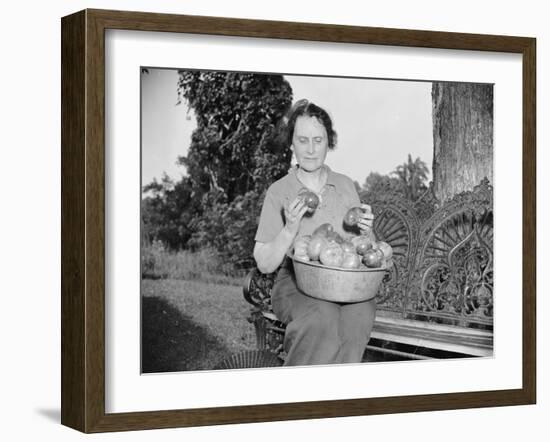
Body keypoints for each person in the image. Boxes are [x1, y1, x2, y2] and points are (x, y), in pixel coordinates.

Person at [253, 99, 376, 366]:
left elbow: (363, 249)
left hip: (344, 284)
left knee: (359, 317)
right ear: (291, 144)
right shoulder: (279, 191)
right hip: (295, 283)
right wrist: (289, 229)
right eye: (302, 140)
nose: (310, 150)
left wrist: (368, 231)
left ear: (328, 142)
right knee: (322, 318)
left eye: (318, 140)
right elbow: (264, 263)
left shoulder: (345, 185)